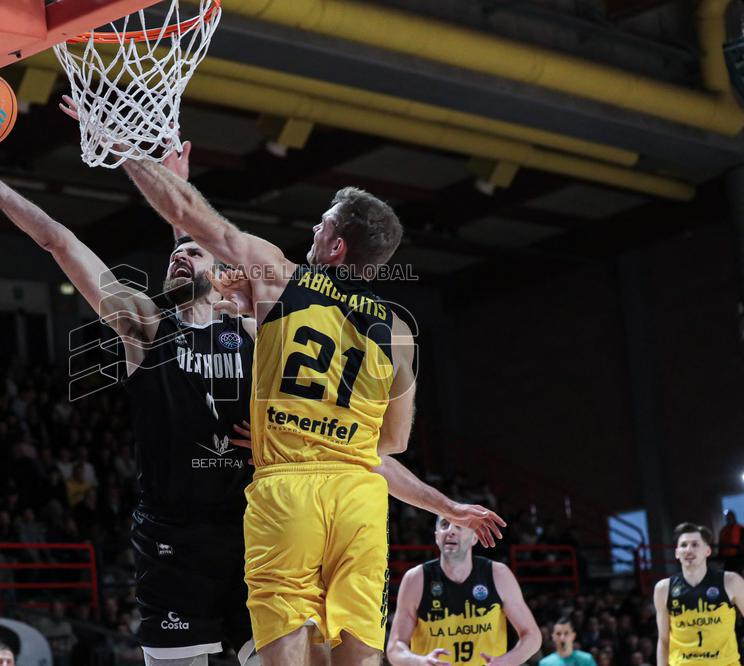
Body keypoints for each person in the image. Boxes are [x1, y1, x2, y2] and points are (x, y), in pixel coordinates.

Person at [118, 129, 506, 665]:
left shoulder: (279, 278)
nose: (314, 227)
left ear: (336, 245)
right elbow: (390, 441)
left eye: (323, 222)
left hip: (289, 493)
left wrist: (125, 149)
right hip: (358, 501)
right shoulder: (397, 330)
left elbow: (193, 230)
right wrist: (442, 503)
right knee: (355, 653)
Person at [0, 125, 257, 665]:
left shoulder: (251, 330)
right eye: (175, 254)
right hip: (171, 539)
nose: (181, 257)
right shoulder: (145, 327)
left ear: (225, 274)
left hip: (251, 531)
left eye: (195, 254)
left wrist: (181, 205)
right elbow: (58, 241)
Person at [387, 516, 540, 666]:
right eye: (444, 524)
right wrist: (420, 662)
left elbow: (532, 636)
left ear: (475, 537)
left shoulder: (498, 574)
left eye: (459, 525)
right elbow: (395, 648)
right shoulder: (415, 579)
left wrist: (505, 662)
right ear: (437, 536)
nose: (451, 531)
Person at [654, 522, 744, 665]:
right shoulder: (663, 588)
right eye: (683, 545)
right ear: (677, 553)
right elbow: (664, 640)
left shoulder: (731, 581)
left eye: (695, 545)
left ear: (707, 551)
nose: (688, 550)